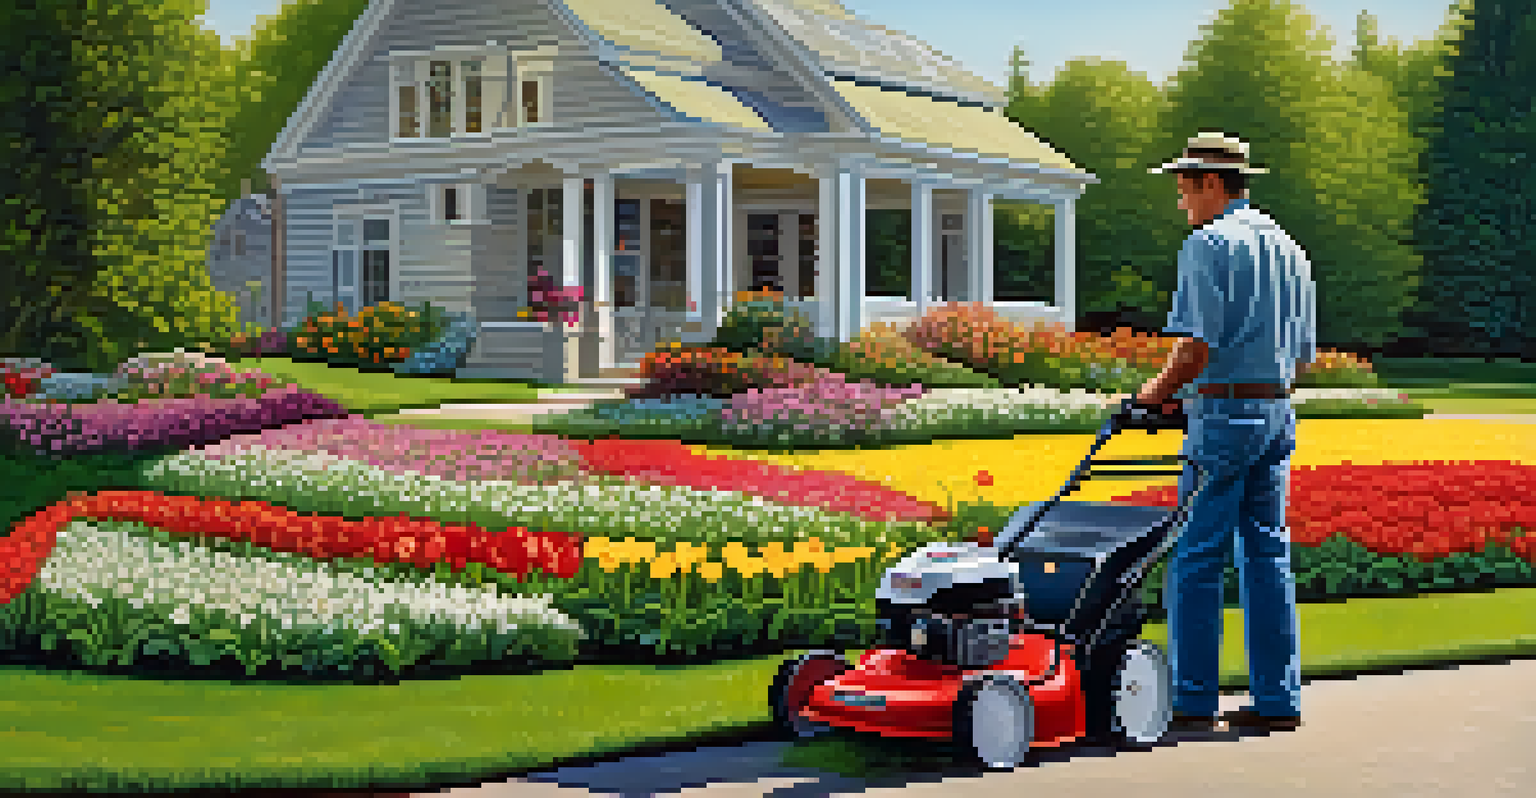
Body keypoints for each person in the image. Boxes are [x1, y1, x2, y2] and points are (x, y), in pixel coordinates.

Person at [1136, 131, 1317, 733]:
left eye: (1185, 190)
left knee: (1196, 556)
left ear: (1212, 184)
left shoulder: (1208, 245)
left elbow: (1194, 350)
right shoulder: (1290, 250)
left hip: (1223, 416)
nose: (1182, 203)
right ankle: (1278, 699)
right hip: (1277, 414)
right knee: (1267, 555)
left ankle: (1192, 698)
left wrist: (1151, 395)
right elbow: (1305, 356)